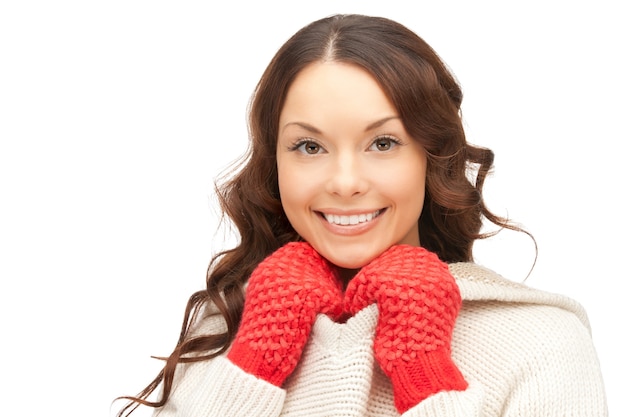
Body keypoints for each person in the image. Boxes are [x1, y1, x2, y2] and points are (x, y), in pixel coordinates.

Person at [116, 13, 608, 416]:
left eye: (383, 143)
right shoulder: (225, 328)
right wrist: (253, 365)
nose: (345, 181)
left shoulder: (541, 344)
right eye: (309, 146)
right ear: (276, 164)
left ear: (430, 157)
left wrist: (425, 375)